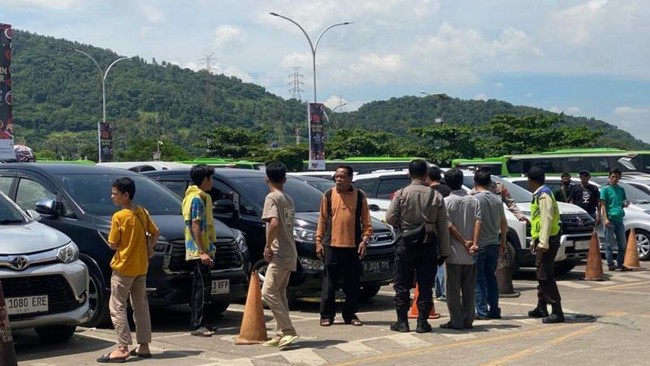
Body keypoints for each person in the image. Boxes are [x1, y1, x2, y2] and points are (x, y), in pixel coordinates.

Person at [97, 177, 159, 363]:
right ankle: (144, 345)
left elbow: (113, 243)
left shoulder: (119, 217)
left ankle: (122, 347)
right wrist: (148, 248)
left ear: (126, 195)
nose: (112, 197)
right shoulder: (142, 212)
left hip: (124, 267)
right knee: (140, 305)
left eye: (115, 194)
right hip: (141, 266)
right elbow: (155, 232)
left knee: (117, 306)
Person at [386, 159, 450, 333]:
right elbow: (443, 226)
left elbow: (390, 218)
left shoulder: (401, 193)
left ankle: (402, 322)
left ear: (409, 173)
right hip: (428, 244)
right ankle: (422, 322)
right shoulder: (435, 195)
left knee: (402, 284)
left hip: (405, 244)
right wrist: (444, 251)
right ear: (426, 175)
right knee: (426, 284)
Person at [315, 165, 373, 327]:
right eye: (337, 176)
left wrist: (365, 240)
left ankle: (350, 314)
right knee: (329, 284)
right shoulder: (328, 195)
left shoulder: (359, 196)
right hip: (331, 246)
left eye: (342, 176)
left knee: (352, 284)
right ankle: (326, 315)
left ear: (350, 178)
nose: (338, 179)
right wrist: (318, 241)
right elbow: (322, 220)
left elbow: (366, 222)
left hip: (353, 246)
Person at [261, 161, 299, 349]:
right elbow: (288, 224)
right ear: (284, 178)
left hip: (279, 252)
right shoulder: (288, 198)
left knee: (267, 292)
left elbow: (274, 223)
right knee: (280, 292)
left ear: (266, 178)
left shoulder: (272, 198)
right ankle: (281, 333)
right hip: (290, 250)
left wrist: (268, 246)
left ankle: (288, 330)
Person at [441, 168, 479, 330]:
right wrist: (474, 244)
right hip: (471, 254)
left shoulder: (446, 201)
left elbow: (449, 226)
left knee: (453, 290)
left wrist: (464, 242)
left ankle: (456, 321)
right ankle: (468, 319)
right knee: (469, 289)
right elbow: (479, 222)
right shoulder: (473, 201)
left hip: (454, 252)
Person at [183, 164, 217, 337]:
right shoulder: (196, 199)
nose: (212, 182)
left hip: (202, 248)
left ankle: (202, 322)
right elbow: (195, 225)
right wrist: (202, 251)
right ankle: (198, 325)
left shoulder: (198, 196)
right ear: (205, 180)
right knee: (202, 288)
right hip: (199, 250)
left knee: (202, 286)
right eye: (211, 179)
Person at [526, 167, 564, 324]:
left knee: (545, 276)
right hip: (544, 239)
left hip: (548, 240)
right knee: (541, 272)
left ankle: (556, 310)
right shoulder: (541, 194)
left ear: (531, 180)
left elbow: (547, 219)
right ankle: (541, 306)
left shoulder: (543, 195)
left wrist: (543, 242)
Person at [472, 169, 508, 320]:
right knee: (491, 278)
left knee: (479, 280)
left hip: (479, 244)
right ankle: (494, 309)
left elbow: (476, 222)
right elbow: (504, 222)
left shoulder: (474, 199)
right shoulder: (497, 199)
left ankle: (481, 311)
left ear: (475, 183)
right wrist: (503, 241)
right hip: (494, 242)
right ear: (489, 183)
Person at [426, 166, 450, 302]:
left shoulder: (430, 193)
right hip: (447, 230)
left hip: (433, 231)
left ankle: (440, 290)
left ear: (428, 177)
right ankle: (442, 290)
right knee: (443, 262)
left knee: (437, 264)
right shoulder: (447, 190)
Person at [600, 167, 630, 271]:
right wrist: (605, 219)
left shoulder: (621, 189)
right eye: (612, 177)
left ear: (619, 177)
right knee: (609, 243)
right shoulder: (605, 189)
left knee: (622, 243)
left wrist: (625, 204)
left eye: (616, 177)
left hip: (619, 219)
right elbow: (603, 205)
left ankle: (620, 263)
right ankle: (610, 264)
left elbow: (622, 202)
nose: (614, 179)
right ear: (609, 177)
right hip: (610, 219)